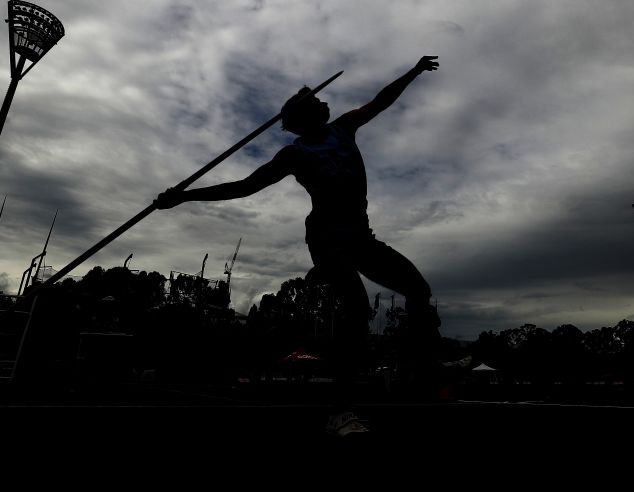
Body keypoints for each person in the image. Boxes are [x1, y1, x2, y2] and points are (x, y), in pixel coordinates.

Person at [156, 55, 443, 436]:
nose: (326, 103)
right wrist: (185, 196)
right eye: (316, 102)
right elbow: (245, 186)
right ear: (304, 117)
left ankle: (420, 376)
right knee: (357, 309)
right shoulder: (295, 154)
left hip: (361, 238)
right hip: (327, 239)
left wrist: (414, 71)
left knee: (418, 291)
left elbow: (381, 100)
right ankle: (339, 411)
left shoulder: (344, 128)